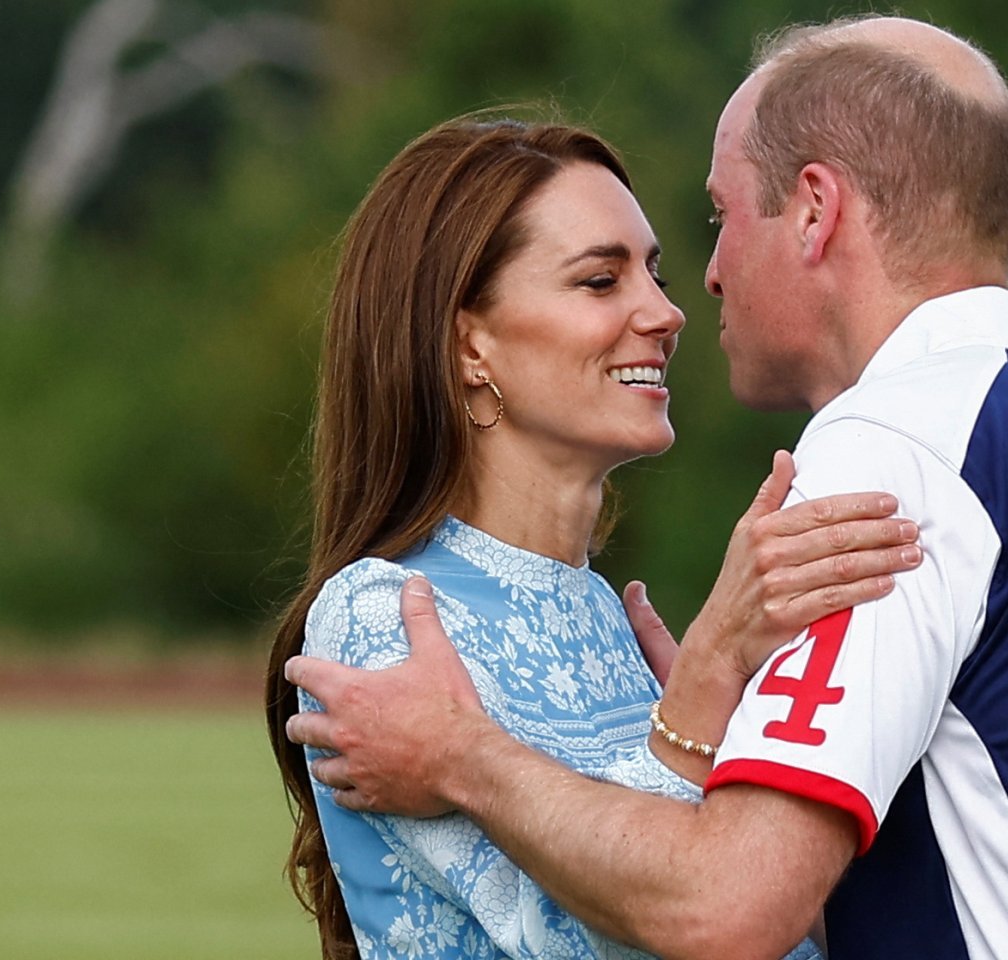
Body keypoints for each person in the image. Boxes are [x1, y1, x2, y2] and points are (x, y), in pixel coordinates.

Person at [285, 14, 1008, 960]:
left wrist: (471, 755)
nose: (686, 296)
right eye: (603, 279)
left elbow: (724, 911)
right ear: (467, 345)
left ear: (816, 210)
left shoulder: (905, 446)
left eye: (716, 220)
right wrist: (707, 713)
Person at [262, 116, 926, 959]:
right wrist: (711, 675)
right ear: (470, 345)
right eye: (601, 280)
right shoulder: (385, 616)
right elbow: (601, 942)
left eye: (655, 273)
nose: (667, 312)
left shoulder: (608, 615)